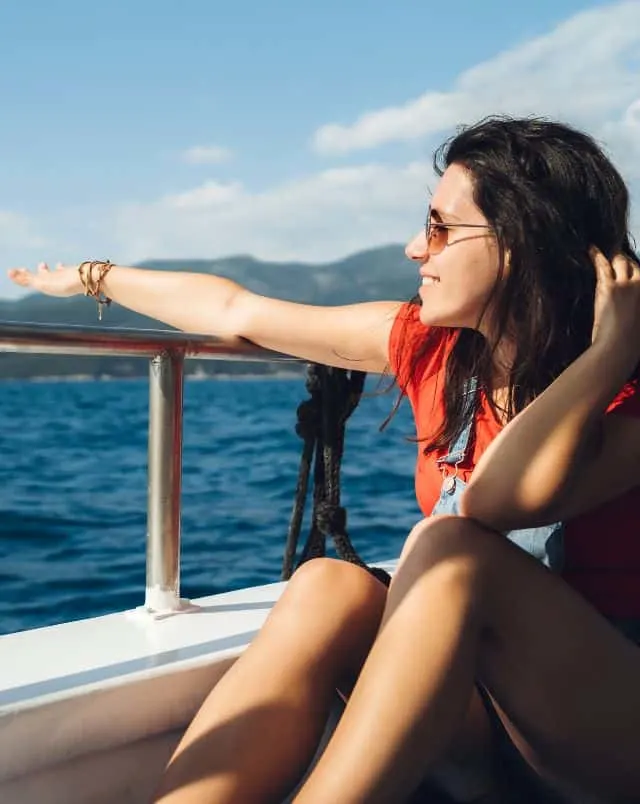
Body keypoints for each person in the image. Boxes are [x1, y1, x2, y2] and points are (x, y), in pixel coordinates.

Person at [8, 116, 640, 804]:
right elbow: (234, 308)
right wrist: (91, 277)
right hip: (487, 727)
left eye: (438, 229)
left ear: (520, 246)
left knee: (456, 551)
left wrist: (610, 355)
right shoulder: (435, 352)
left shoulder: (628, 396)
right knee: (327, 586)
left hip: (601, 738)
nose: (412, 249)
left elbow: (500, 502)